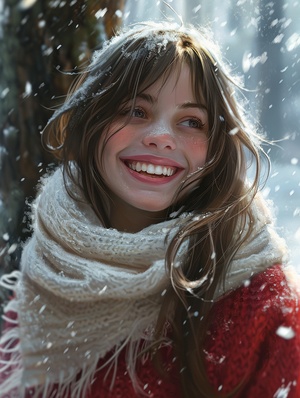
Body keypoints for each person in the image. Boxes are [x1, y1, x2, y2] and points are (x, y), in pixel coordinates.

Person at [0, 21, 299, 398]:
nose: (161, 137)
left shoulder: (256, 296)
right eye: (136, 111)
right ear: (93, 120)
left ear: (216, 148)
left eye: (191, 121)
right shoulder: (53, 262)